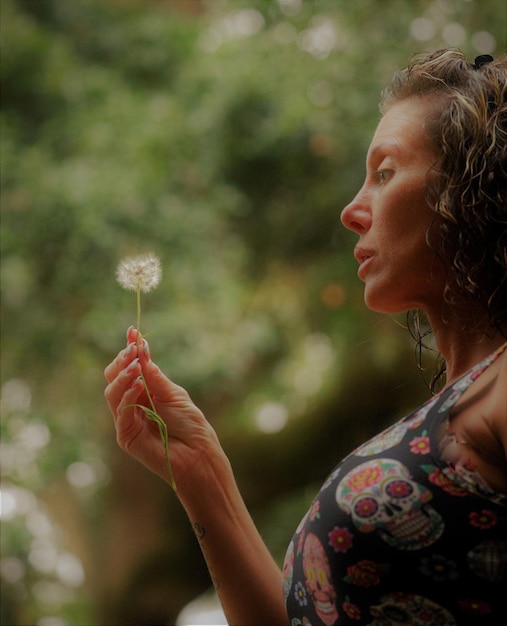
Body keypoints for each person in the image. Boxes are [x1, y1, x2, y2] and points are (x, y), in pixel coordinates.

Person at [104, 48, 507, 626]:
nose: (351, 209)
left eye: (385, 173)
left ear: (469, 191)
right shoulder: (460, 401)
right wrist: (200, 473)